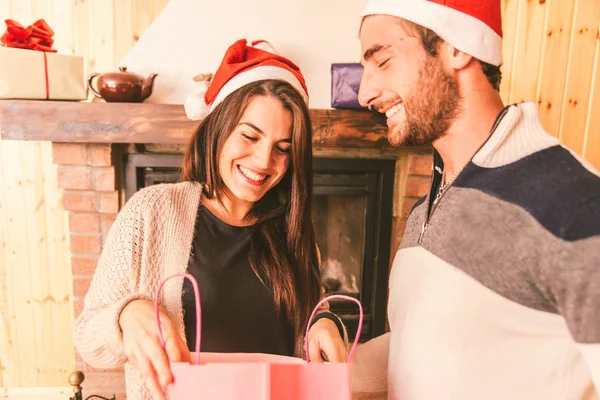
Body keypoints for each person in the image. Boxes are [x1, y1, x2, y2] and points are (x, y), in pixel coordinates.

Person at [351, 0, 600, 399]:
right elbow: (429, 348)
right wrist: (334, 368)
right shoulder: (425, 209)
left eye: (382, 62)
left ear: (457, 46)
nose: (365, 92)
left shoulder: (574, 206)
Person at [73, 39, 348, 400]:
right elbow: (89, 338)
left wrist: (325, 321)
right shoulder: (150, 212)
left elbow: (314, 310)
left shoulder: (291, 227)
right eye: (250, 136)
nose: (264, 161)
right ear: (218, 127)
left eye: (283, 148)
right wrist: (127, 314)